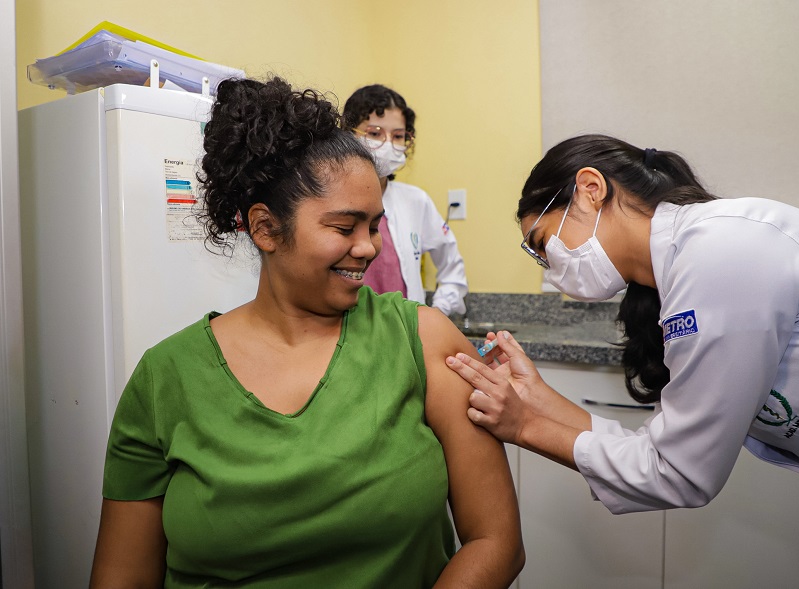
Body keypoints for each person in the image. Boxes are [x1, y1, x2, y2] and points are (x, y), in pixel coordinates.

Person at [89, 76, 523, 588]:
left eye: (374, 226)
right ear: (266, 228)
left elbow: (496, 542)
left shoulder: (423, 340)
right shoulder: (165, 378)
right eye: (344, 228)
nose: (368, 248)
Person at [445, 134, 799, 583]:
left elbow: (679, 473)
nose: (550, 267)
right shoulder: (683, 271)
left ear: (591, 189)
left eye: (542, 244)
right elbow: (659, 446)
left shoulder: (720, 254)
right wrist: (537, 398)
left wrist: (524, 425)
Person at [342, 84, 468, 316]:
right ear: (349, 134)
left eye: (398, 136)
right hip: (344, 332)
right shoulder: (329, 199)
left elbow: (452, 268)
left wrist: (436, 313)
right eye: (374, 133)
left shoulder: (415, 201)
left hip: (406, 333)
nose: (388, 143)